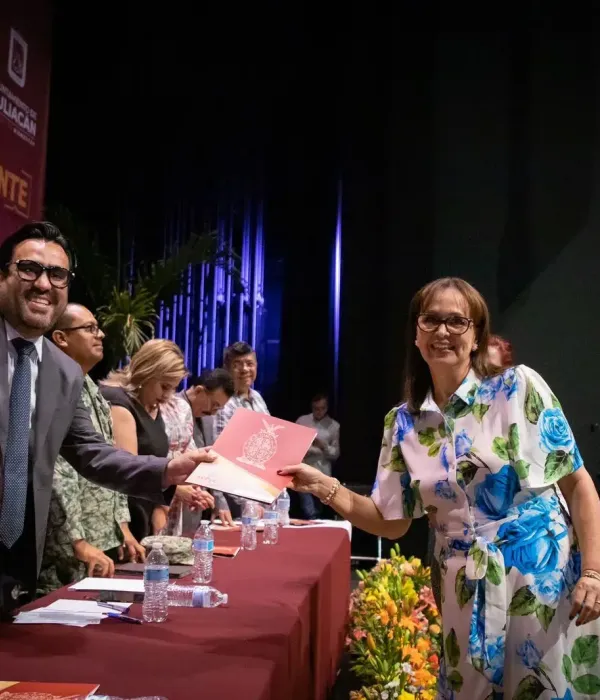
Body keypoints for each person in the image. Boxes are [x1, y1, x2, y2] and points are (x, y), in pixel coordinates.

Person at [281, 277, 600, 700]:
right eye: (431, 320)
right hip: (462, 585)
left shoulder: (517, 388)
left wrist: (593, 572)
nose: (443, 331)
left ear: (476, 336)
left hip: (540, 578)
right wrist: (323, 485)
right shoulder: (403, 423)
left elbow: (578, 485)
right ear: (416, 334)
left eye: (456, 321)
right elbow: (391, 522)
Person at [0, 222, 213, 617]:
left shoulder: (63, 372)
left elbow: (92, 454)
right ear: (3, 275)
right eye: (29, 269)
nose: (43, 284)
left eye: (57, 274)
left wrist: (167, 470)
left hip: (18, 563)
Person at [38, 304, 145, 593]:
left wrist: (122, 525)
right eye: (89, 329)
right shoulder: (52, 385)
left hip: (102, 540)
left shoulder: (90, 387)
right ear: (61, 338)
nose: (101, 335)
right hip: (65, 547)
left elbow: (108, 458)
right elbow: (56, 471)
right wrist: (77, 541)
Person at [428, 333, 515, 609]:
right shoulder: (435, 421)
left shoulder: (515, 410)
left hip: (509, 560)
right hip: (451, 554)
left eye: (492, 372)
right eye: (477, 371)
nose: (482, 381)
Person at [100, 339, 214, 541]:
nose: (167, 395)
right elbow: (127, 472)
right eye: (164, 386)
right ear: (147, 372)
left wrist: (163, 503)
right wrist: (123, 527)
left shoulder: (152, 405)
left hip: (143, 513)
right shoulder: (118, 401)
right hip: (120, 521)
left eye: (173, 388)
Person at [214, 341, 270, 523]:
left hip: (261, 493)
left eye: (249, 363)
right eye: (237, 365)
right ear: (227, 369)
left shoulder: (258, 397)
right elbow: (222, 455)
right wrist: (246, 501)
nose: (245, 369)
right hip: (234, 497)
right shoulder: (223, 402)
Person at [295, 393, 340, 519]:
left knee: (318, 510)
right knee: (308, 510)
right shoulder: (302, 421)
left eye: (322, 408)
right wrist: (308, 450)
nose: (319, 412)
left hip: (322, 473)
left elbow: (335, 454)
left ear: (327, 408)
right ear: (312, 407)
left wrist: (323, 446)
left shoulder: (334, 426)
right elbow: (293, 444)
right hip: (303, 470)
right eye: (316, 408)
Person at [179, 369, 234, 448]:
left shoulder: (208, 418)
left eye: (218, 408)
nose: (214, 413)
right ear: (198, 391)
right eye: (214, 405)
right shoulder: (173, 409)